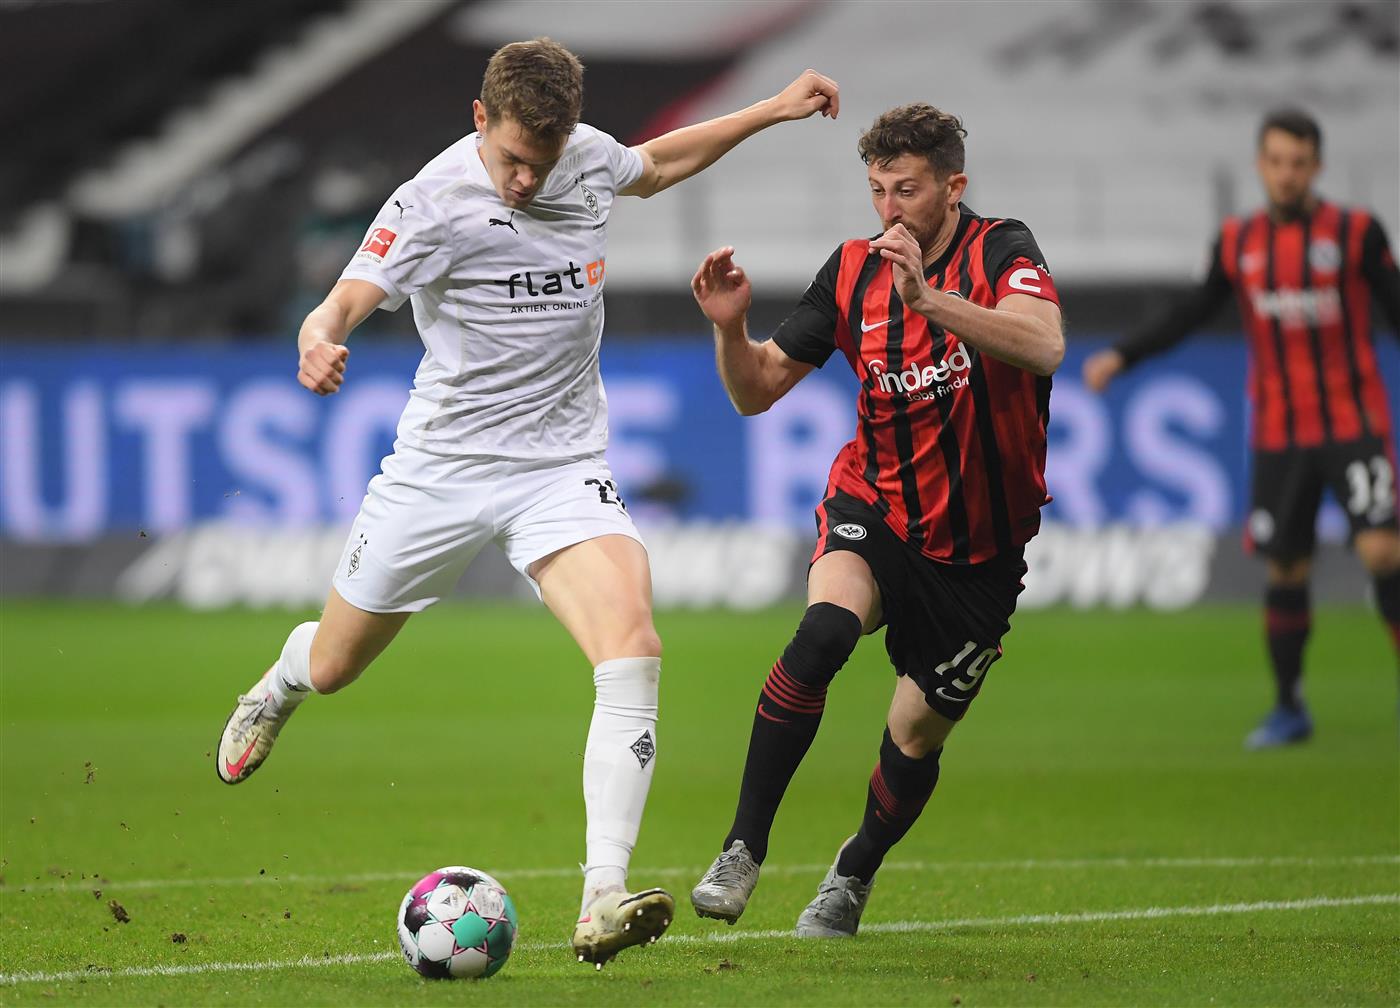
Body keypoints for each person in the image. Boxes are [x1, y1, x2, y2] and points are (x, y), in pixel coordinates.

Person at [213, 37, 840, 968]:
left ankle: (602, 896)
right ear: (480, 119)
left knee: (633, 647)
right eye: (511, 159)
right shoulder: (430, 201)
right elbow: (342, 300)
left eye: (540, 164)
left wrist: (772, 109)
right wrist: (318, 337)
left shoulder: (584, 158)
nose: (524, 180)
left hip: (559, 467)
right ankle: (280, 683)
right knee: (337, 664)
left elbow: (659, 162)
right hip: (442, 469)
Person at [687, 103, 1064, 937]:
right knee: (824, 630)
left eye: (908, 190)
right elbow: (756, 390)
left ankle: (854, 868)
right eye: (877, 190)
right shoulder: (853, 269)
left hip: (980, 552)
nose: (890, 209)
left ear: (953, 187)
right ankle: (742, 849)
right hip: (878, 503)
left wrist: (930, 300)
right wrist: (732, 331)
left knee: (915, 734)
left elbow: (1043, 346)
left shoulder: (1002, 248)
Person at [1082, 108, 1400, 750]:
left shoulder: (1356, 233)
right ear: (1261, 165)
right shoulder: (1238, 241)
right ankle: (1289, 707)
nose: (1286, 175)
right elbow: (1191, 311)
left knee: (1383, 552)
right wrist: (1123, 354)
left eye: (1298, 163)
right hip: (1279, 433)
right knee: (1285, 567)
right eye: (1276, 162)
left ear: (1317, 167)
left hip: (1353, 422)